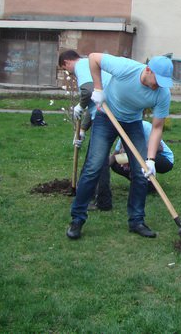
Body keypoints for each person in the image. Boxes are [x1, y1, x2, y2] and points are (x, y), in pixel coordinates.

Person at [65, 52, 173, 240]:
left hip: (133, 123)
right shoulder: (126, 68)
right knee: (93, 167)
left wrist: (151, 160)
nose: (159, 86)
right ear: (148, 70)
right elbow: (93, 58)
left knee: (141, 172)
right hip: (106, 117)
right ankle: (77, 219)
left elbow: (157, 128)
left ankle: (137, 220)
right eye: (157, 80)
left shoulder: (163, 93)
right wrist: (98, 89)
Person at [58, 49, 112, 209]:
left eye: (66, 69)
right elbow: (94, 102)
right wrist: (82, 129)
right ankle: (87, 195)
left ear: (67, 62)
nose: (70, 74)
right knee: (94, 159)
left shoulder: (81, 65)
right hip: (106, 114)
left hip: (106, 116)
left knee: (97, 161)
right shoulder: (89, 67)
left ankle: (102, 201)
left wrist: (80, 105)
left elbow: (87, 91)